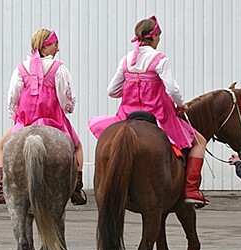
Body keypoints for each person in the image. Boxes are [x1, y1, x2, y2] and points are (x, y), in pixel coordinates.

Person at [88, 15, 208, 205]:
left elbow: (112, 91)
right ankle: (191, 189)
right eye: (159, 36)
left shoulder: (126, 60)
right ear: (154, 37)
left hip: (127, 115)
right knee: (198, 142)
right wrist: (180, 104)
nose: (159, 39)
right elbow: (172, 88)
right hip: (158, 116)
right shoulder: (159, 59)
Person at [0, 29, 87, 205]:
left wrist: (16, 117)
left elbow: (13, 96)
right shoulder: (58, 68)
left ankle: (1, 186)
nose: (58, 49)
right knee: (77, 147)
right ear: (45, 46)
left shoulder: (21, 68)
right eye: (55, 45)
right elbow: (66, 95)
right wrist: (67, 109)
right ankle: (76, 188)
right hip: (53, 120)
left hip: (26, 121)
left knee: (1, 146)